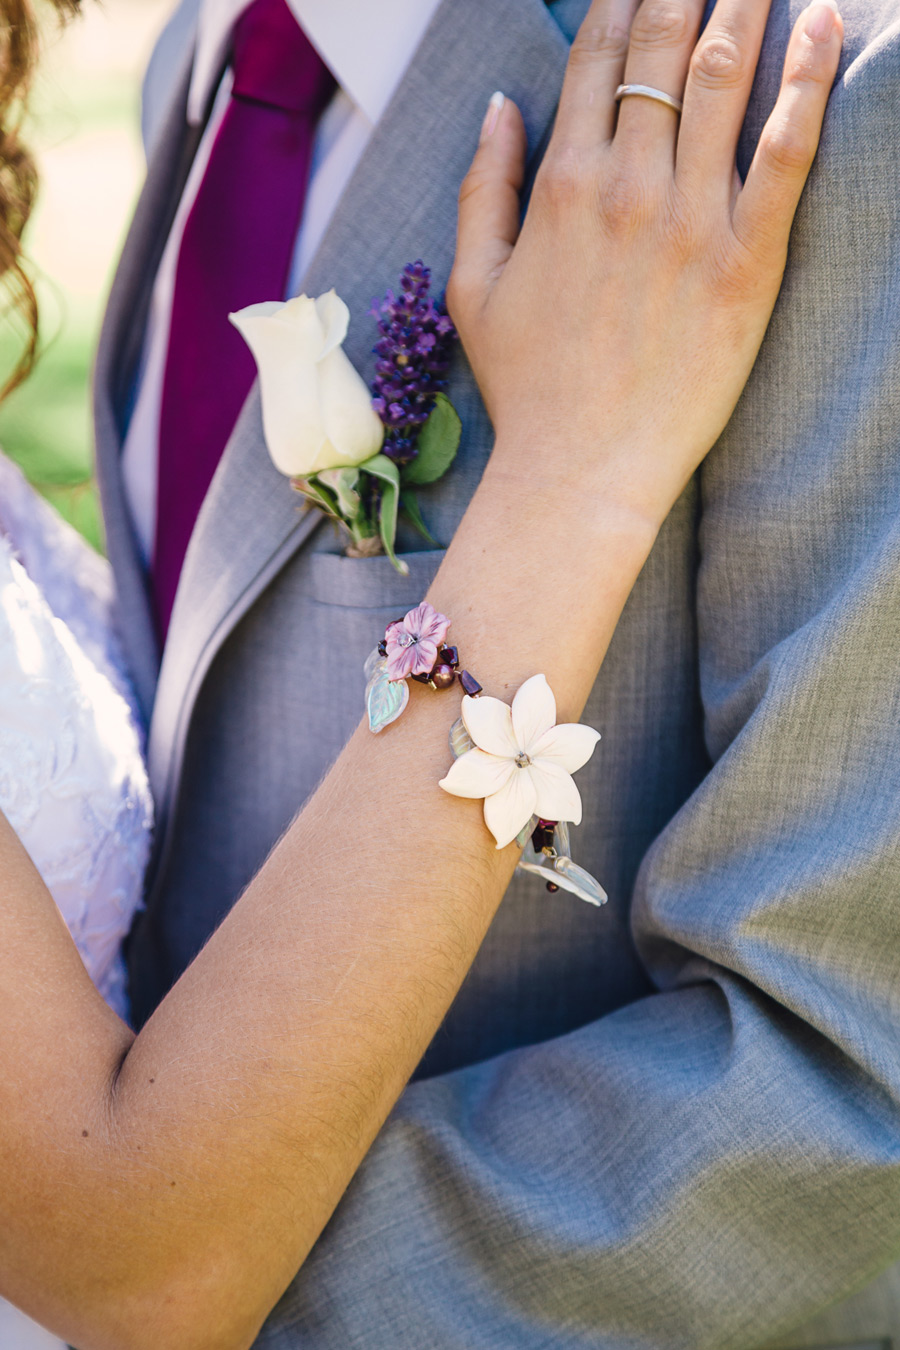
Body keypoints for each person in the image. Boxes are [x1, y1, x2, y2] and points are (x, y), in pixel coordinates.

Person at [0, 1, 845, 1345]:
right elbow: (126, 1248)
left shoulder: (827, 109)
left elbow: (843, 1059)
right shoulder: (200, 77)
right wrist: (569, 480)